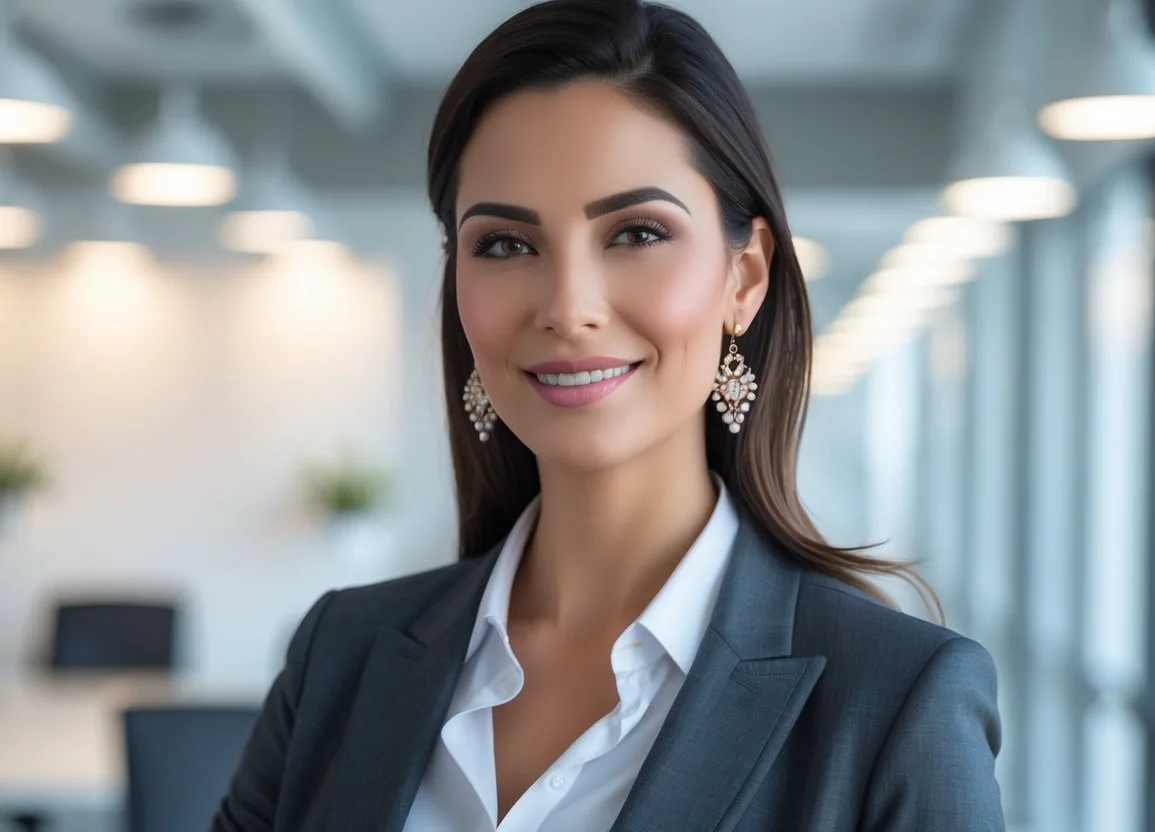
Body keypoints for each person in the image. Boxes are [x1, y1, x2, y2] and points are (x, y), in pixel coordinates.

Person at [212, 1, 1005, 829]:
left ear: (744, 277)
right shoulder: (340, 654)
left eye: (634, 233)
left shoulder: (894, 701)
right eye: (506, 245)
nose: (567, 307)